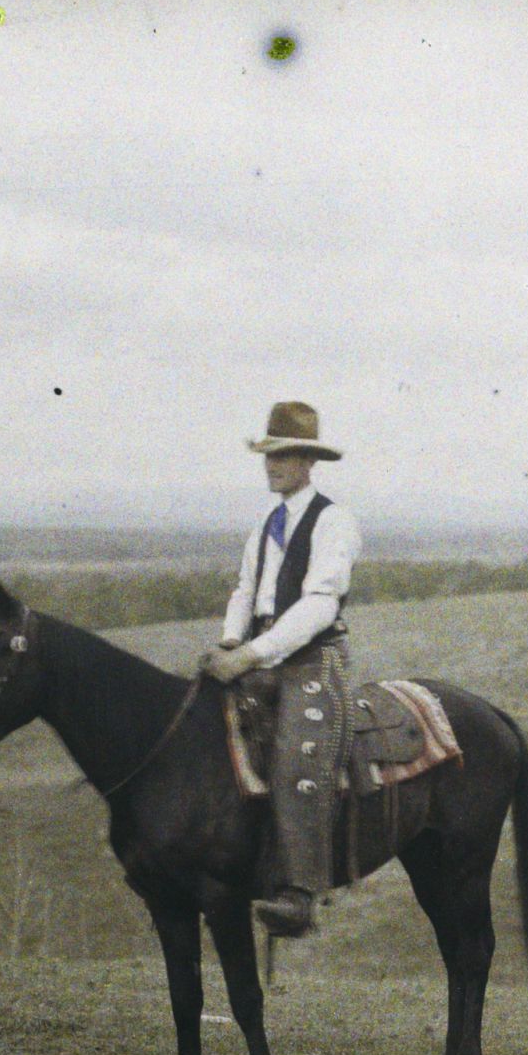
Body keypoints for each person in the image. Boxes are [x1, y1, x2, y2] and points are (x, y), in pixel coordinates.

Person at [200, 401, 363, 937]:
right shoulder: (266, 523)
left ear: (309, 462)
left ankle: (299, 893)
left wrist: (251, 654)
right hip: (260, 652)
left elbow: (319, 606)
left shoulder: (333, 522)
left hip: (312, 660)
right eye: (269, 455)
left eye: (285, 456)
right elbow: (245, 590)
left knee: (298, 758)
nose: (272, 465)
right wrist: (230, 641)